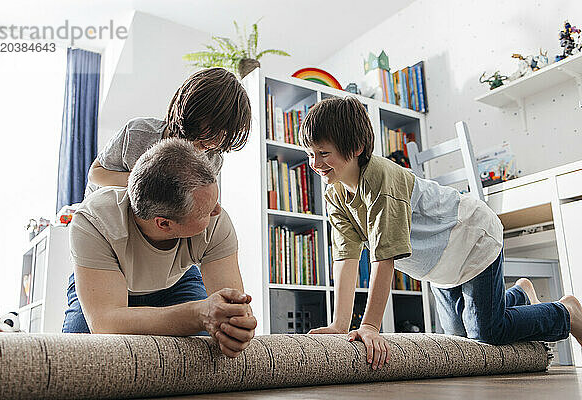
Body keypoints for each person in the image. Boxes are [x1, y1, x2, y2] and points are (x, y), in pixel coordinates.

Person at [300, 97, 582, 369]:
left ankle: (566, 312)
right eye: (310, 154)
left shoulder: (380, 180)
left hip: (471, 239)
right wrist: (339, 324)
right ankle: (519, 294)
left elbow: (383, 259)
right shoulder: (334, 194)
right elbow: (346, 258)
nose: (315, 163)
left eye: (324, 153)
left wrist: (371, 326)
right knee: (460, 340)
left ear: (358, 147)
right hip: (440, 266)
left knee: (486, 333)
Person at [63, 139, 257, 359]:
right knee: (77, 358)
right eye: (204, 212)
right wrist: (198, 314)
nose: (216, 212)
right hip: (103, 286)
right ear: (163, 223)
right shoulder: (94, 220)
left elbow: (231, 309)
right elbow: (106, 322)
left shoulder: (217, 221)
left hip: (177, 282)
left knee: (211, 352)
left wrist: (236, 326)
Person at [84, 67, 251, 197]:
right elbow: (95, 175)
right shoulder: (138, 133)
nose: (215, 142)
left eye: (224, 135)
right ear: (192, 112)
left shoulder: (212, 159)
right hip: (104, 212)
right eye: (212, 129)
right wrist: (148, 183)